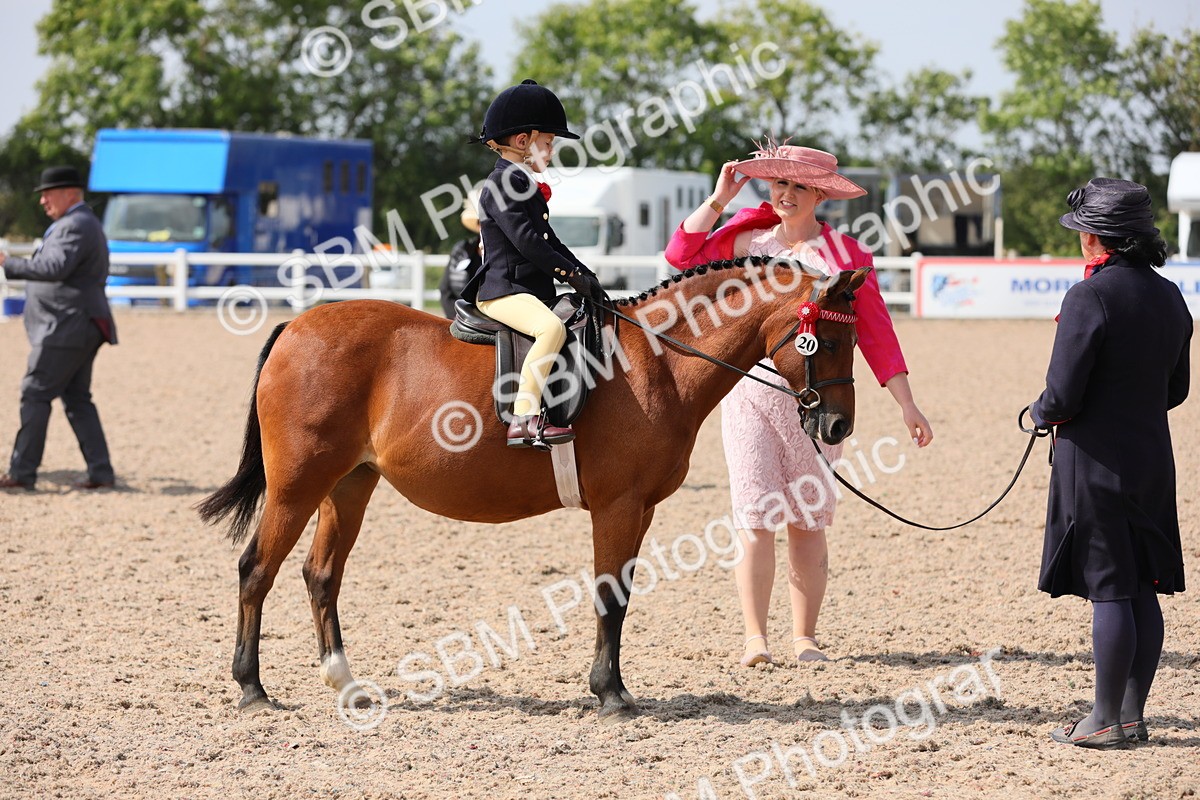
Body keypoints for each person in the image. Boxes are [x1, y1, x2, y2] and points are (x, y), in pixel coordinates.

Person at [664, 141, 933, 666]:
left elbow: (876, 332)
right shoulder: (742, 240)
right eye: (780, 183)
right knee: (754, 516)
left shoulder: (848, 257)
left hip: (815, 401)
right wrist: (719, 198)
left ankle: (805, 637)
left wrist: (907, 403)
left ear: (821, 194)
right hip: (748, 396)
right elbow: (681, 258)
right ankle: (755, 640)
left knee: (808, 522)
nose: (786, 194)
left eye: (799, 186)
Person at [1030, 178, 1190, 749]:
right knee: (1141, 585)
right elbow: (1176, 389)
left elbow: (1064, 393)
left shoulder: (1088, 296)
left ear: (1097, 239)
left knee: (1111, 589)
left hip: (1095, 460)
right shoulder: (1171, 296)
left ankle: (1103, 718)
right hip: (1151, 456)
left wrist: (1037, 413)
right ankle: (1131, 714)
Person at [463, 79, 605, 448]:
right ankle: (524, 418)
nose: (552, 151)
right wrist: (569, 274)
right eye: (548, 143)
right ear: (523, 142)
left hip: (526, 290)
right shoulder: (502, 183)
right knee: (551, 330)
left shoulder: (519, 181)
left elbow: (549, 240)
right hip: (503, 291)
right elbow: (527, 242)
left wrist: (584, 274)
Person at [0, 166, 118, 491]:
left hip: (68, 325)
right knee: (78, 399)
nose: (42, 201)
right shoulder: (76, 223)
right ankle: (101, 472)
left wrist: (6, 262)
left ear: (69, 193)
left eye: (47, 194)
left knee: (35, 392)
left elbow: (54, 267)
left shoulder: (75, 224)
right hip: (77, 323)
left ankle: (22, 473)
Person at [439, 191, 482, 318]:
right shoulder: (462, 250)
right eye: (480, 222)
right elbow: (445, 290)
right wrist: (456, 318)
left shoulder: (502, 252)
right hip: (460, 317)